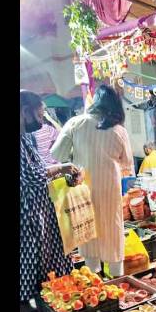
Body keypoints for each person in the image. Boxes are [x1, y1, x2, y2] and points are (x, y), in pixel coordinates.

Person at [51, 85, 134, 277]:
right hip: (110, 190)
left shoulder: (75, 123)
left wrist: (77, 153)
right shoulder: (119, 130)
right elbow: (127, 163)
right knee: (113, 230)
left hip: (82, 189)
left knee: (88, 230)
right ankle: (117, 281)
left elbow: (58, 154)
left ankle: (94, 281)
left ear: (95, 102)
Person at [19, 90, 77, 312]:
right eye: (40, 115)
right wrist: (63, 168)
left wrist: (61, 173)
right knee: (28, 255)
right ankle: (25, 304)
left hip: (39, 207)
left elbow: (41, 169)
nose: (42, 120)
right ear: (25, 112)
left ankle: (49, 292)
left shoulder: (28, 137)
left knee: (46, 252)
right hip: (26, 211)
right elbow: (32, 176)